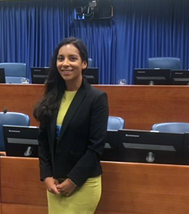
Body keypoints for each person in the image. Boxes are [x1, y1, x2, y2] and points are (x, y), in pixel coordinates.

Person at [33, 37, 109, 214]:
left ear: (83, 63)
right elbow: (43, 140)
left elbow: (96, 147)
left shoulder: (96, 99)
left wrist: (73, 180)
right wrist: (46, 175)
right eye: (61, 58)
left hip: (83, 183)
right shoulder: (52, 96)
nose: (65, 64)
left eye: (72, 58)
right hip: (56, 184)